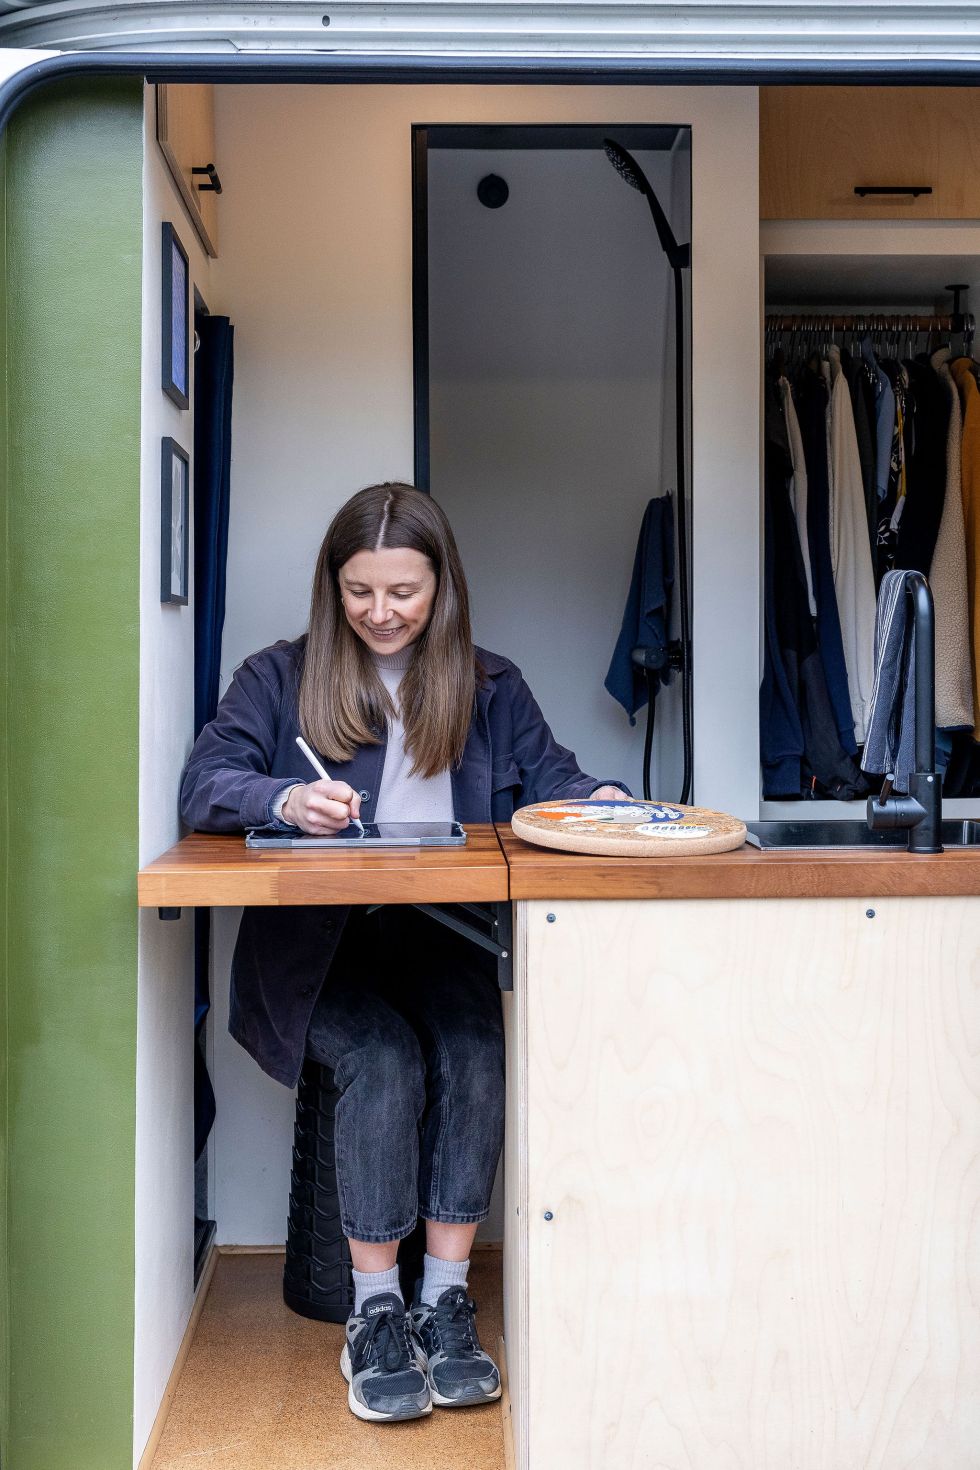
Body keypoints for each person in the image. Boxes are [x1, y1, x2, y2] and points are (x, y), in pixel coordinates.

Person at [180, 482, 628, 1424]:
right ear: (330, 588)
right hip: (319, 949)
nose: (381, 613)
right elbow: (204, 782)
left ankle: (444, 1302)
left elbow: (557, 783)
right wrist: (282, 802)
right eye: (359, 592)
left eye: (404, 593)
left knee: (472, 1051)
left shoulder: (491, 686)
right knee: (380, 1060)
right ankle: (375, 1312)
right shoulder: (278, 677)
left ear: (443, 588)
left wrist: (605, 800)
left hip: (442, 938)